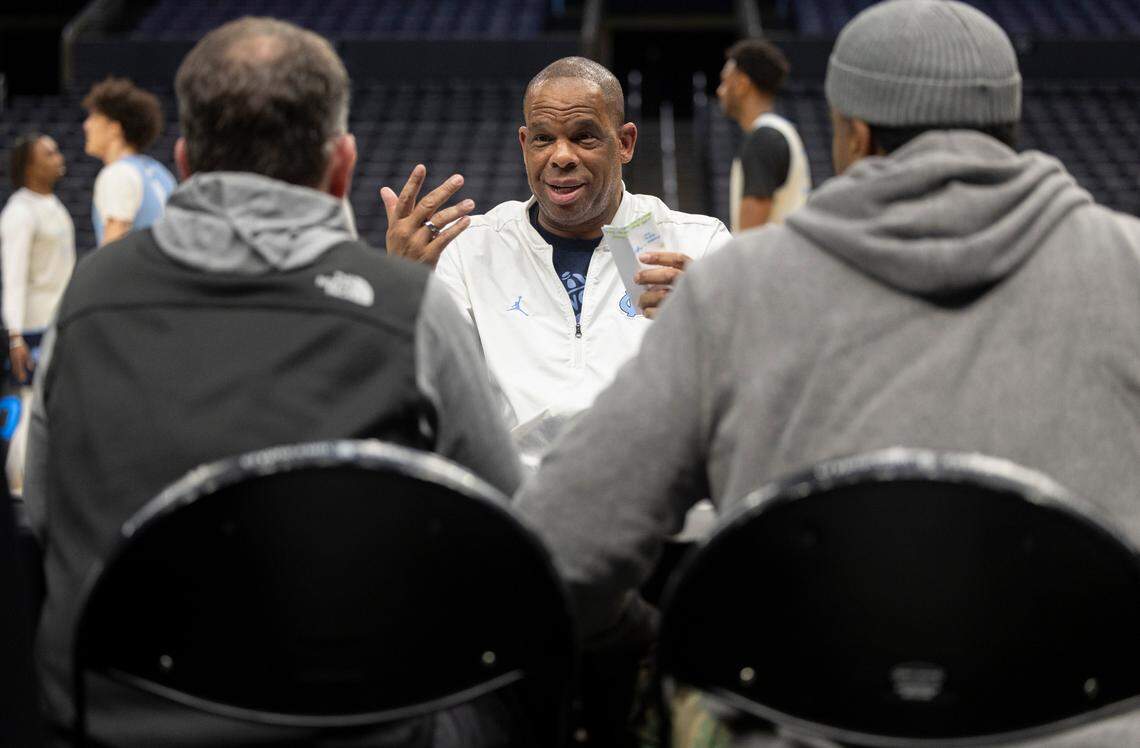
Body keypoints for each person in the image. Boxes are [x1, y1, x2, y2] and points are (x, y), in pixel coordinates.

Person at [516, 6, 1140, 745]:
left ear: (854, 135)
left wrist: (650, 636)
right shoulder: (1131, 266)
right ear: (1008, 123)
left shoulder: (735, 289)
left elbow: (560, 556)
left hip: (808, 721)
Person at [25, 17, 520, 746]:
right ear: (343, 166)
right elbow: (506, 534)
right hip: (354, 728)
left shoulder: (86, 298)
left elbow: (39, 516)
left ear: (187, 163)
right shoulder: (412, 310)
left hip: (108, 725)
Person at [383, 56, 730, 464]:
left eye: (584, 137)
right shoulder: (466, 248)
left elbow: (751, 389)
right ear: (524, 144)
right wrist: (403, 289)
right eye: (543, 139)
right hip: (513, 495)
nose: (561, 156)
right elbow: (422, 395)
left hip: (653, 489)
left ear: (625, 143)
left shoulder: (700, 244)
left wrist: (711, 324)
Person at [0, 133, 75, 496]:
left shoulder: (54, 205)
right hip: (31, 327)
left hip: (59, 321)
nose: (59, 156)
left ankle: (44, 480)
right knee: (30, 406)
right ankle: (19, 485)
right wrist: (14, 335)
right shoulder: (19, 212)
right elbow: (11, 279)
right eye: (50, 152)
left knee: (54, 404)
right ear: (30, 165)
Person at [717, 38, 812, 231]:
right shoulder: (784, 130)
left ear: (742, 84)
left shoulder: (762, 139)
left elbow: (750, 236)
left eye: (725, 82)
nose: (720, 91)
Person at [82, 77, 177, 246]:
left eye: (94, 118)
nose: (86, 125)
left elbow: (112, 254)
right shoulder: (160, 172)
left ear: (114, 129)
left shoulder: (118, 174)